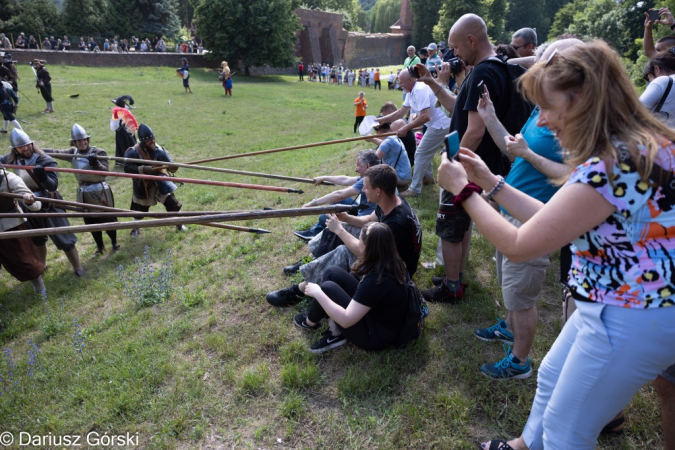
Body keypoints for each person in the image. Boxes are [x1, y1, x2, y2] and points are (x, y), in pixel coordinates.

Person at [436, 40, 675, 450]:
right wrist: (491, 184)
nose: (542, 121)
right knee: (548, 377)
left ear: (582, 98)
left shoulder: (610, 166)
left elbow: (518, 244)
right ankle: (525, 444)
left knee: (568, 431)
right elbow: (557, 218)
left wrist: (464, 192)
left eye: (548, 106)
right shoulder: (636, 145)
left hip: (629, 314)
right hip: (616, 302)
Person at [423, 13, 523, 302]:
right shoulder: (497, 68)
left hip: (470, 164)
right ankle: (456, 275)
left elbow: (476, 130)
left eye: (455, 47)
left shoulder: (481, 72)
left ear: (471, 40)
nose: (453, 53)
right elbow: (462, 108)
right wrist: (435, 84)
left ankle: (452, 285)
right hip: (483, 164)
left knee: (450, 221)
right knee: (462, 220)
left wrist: (454, 166)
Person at [266, 164, 422, 307]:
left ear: (378, 191)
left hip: (396, 274)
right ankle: (313, 259)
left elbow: (365, 253)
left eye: (366, 187)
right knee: (344, 226)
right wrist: (347, 218)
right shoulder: (390, 201)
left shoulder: (396, 223)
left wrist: (340, 230)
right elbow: (369, 220)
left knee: (344, 249)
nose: (363, 190)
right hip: (388, 257)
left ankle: (299, 291)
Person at [294, 222, 410, 354]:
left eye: (360, 240)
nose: (358, 243)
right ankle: (335, 331)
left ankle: (310, 323)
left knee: (326, 288)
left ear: (368, 248)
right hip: (377, 313)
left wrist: (318, 293)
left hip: (375, 336)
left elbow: (346, 320)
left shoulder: (376, 281)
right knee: (331, 273)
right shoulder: (393, 261)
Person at [0, 129, 84, 277]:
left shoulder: (45, 160)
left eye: (27, 145)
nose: (25, 148)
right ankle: (42, 265)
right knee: (37, 239)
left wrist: (42, 177)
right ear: (15, 149)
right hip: (27, 204)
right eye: (21, 147)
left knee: (64, 238)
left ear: (31, 143)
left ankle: (77, 267)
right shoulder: (12, 158)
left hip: (48, 203)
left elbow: (52, 186)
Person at [43, 124, 119, 255]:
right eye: (79, 140)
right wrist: (35, 149)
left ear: (88, 140)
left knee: (107, 218)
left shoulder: (98, 152)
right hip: (83, 192)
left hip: (100, 191)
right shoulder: (73, 153)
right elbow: (55, 152)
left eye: (84, 140)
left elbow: (105, 172)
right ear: (74, 142)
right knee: (90, 221)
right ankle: (100, 246)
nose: (82, 142)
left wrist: (95, 163)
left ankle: (114, 242)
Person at [376, 68, 450, 198]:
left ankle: (415, 189)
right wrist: (383, 120)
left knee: (420, 153)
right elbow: (401, 112)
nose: (399, 84)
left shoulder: (419, 90)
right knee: (424, 151)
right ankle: (427, 178)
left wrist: (406, 128)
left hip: (440, 124)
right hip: (434, 123)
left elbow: (425, 116)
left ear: (410, 80)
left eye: (401, 82)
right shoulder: (411, 92)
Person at [292, 150, 379, 243]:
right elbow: (345, 179)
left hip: (364, 220)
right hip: (364, 212)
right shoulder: (375, 174)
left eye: (358, 165)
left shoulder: (368, 179)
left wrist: (311, 204)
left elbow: (339, 195)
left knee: (324, 217)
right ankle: (314, 232)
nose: (356, 169)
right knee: (336, 204)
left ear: (368, 166)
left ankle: (318, 236)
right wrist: (324, 178)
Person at [124, 123, 186, 237]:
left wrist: (172, 166)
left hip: (159, 181)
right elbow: (127, 168)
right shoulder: (133, 152)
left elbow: (171, 166)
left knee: (173, 203)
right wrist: (143, 169)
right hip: (143, 185)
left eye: (152, 139)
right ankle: (135, 228)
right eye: (149, 140)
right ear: (142, 142)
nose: (152, 142)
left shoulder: (159, 150)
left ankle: (179, 224)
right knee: (139, 210)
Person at [0, 165, 46, 293]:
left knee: (26, 260)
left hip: (10, 226)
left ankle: (40, 290)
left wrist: (29, 201)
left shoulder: (10, 179)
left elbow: (36, 205)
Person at [370, 121, 412, 191]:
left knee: (374, 168)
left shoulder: (387, 142)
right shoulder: (393, 137)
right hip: (406, 176)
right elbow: (383, 145)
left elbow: (374, 160)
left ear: (379, 131)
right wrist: (372, 139)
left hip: (401, 177)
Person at [641, 50, 675, 128]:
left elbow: (635, 111)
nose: (649, 83)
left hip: (664, 138)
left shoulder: (663, 81)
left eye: (648, 78)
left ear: (657, 69)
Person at [377, 101, 417, 167]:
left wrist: (371, 139)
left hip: (405, 161)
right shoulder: (400, 121)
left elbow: (384, 144)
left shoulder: (399, 122)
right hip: (400, 157)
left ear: (391, 113)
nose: (385, 119)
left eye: (385, 116)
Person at [110, 95, 137, 161]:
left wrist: (116, 129)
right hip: (128, 130)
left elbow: (114, 125)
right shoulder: (126, 111)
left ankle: (125, 159)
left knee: (124, 145)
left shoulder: (117, 113)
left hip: (122, 132)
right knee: (130, 143)